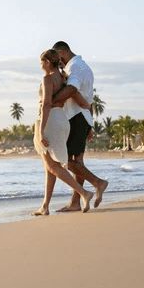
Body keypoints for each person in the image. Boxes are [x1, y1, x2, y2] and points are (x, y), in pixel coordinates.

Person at [34, 49, 95, 214]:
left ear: (47, 62)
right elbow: (80, 98)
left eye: (41, 62)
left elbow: (46, 104)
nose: (40, 66)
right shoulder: (63, 77)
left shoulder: (47, 78)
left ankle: (85, 193)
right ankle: (45, 206)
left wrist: (40, 131)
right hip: (61, 119)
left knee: (52, 165)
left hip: (49, 120)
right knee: (50, 166)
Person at [50, 41, 109, 211]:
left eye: (57, 57)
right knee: (78, 162)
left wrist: (50, 102)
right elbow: (86, 97)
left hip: (76, 117)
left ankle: (98, 183)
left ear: (62, 52)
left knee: (65, 160)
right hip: (82, 117)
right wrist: (90, 123)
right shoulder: (82, 66)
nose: (56, 61)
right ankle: (75, 202)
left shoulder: (75, 68)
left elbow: (72, 89)